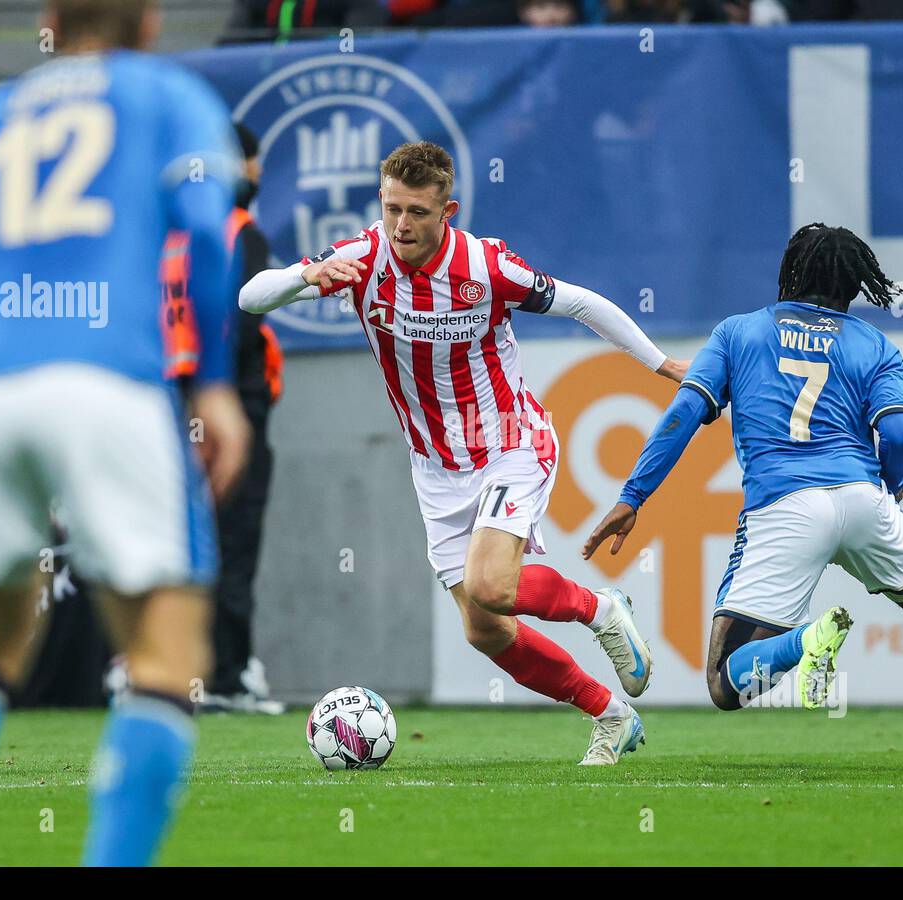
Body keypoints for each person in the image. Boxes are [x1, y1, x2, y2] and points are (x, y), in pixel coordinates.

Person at [0, 0, 250, 865]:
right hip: (107, 382)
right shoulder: (167, 95)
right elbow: (204, 229)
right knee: (165, 656)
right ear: (150, 22)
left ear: (49, 19)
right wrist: (216, 387)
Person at [240, 142, 688, 765]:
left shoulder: (486, 266)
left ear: (446, 210)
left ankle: (602, 609)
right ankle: (611, 715)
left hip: (510, 445)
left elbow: (582, 302)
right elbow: (250, 298)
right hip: (435, 469)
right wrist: (301, 279)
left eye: (418, 212)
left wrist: (661, 364)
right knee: (484, 628)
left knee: (490, 585)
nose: (402, 225)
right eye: (392, 207)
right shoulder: (361, 259)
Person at [583, 223, 903, 778]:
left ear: (790, 273)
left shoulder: (739, 333)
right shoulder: (874, 344)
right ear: (853, 285)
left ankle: (806, 642)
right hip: (861, 499)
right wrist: (890, 486)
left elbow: (684, 415)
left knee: (724, 680)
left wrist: (633, 495)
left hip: (785, 508)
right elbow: (901, 432)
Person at [204, 123, 285, 714]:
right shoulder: (238, 232)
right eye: (252, 160)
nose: (257, 172)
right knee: (234, 539)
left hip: (178, 403)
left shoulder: (179, 233)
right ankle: (228, 677)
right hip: (230, 407)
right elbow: (241, 322)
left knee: (190, 539)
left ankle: (163, 668)